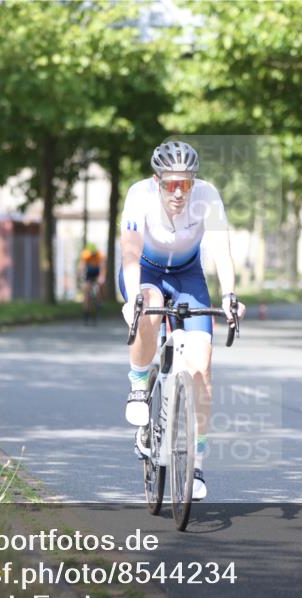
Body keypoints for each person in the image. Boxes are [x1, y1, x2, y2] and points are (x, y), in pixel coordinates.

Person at [119, 141, 245, 501]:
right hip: (146, 270)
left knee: (202, 366)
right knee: (151, 302)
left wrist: (229, 296)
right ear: (157, 180)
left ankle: (197, 461)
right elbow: (129, 252)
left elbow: (221, 249)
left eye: (185, 184)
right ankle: (140, 385)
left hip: (189, 275)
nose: (178, 192)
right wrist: (133, 299)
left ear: (194, 181)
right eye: (170, 184)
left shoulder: (208, 196)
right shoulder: (138, 195)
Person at [78, 243, 103, 324]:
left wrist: (101, 278)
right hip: (88, 274)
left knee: (99, 286)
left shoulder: (99, 255)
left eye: (94, 253)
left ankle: (99, 302)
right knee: (87, 290)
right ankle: (86, 312)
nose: (92, 255)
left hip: (96, 272)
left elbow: (103, 267)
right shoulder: (85, 255)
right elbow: (81, 266)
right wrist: (80, 275)